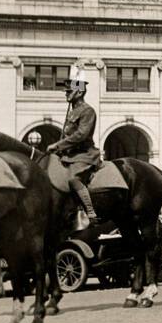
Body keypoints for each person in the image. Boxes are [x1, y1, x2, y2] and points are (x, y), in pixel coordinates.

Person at [46, 76, 102, 227]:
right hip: (69, 155)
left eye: (69, 91)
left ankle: (90, 212)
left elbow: (81, 135)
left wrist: (57, 145)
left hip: (84, 155)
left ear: (79, 92)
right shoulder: (72, 111)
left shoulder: (87, 111)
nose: (66, 94)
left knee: (73, 179)